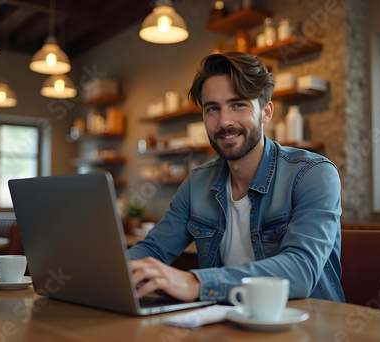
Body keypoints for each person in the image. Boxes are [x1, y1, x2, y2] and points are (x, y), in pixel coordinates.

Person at [128, 52, 345, 304]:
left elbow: (300, 270)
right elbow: (152, 249)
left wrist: (196, 283)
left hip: (306, 327)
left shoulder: (313, 174)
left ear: (266, 112)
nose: (224, 121)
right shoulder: (196, 183)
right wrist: (119, 273)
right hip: (227, 324)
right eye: (212, 108)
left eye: (238, 104)